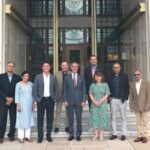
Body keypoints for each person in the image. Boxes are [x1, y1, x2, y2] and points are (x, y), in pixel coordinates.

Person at [33, 61, 58, 143]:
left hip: (50, 100)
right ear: (42, 68)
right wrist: (37, 99)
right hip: (41, 100)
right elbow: (34, 89)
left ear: (49, 68)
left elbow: (56, 89)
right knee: (40, 119)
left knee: (50, 119)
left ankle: (48, 135)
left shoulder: (53, 77)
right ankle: (40, 136)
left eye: (47, 66)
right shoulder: (38, 77)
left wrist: (54, 98)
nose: (46, 67)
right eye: (44, 66)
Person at [64, 62, 86, 141]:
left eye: (76, 67)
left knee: (79, 118)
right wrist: (65, 100)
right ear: (71, 68)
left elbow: (84, 90)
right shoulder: (67, 78)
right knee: (70, 119)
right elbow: (65, 90)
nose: (74, 68)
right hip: (69, 101)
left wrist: (83, 100)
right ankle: (71, 134)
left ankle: (78, 134)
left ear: (78, 68)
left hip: (79, 101)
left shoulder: (81, 77)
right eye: (73, 66)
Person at [107, 62, 129, 141]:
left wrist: (126, 98)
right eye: (114, 67)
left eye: (117, 67)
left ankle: (123, 133)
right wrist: (109, 97)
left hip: (122, 100)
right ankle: (114, 133)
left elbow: (127, 87)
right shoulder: (109, 77)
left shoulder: (124, 76)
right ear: (113, 69)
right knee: (113, 117)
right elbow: (107, 88)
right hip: (113, 100)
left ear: (120, 68)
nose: (116, 69)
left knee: (123, 117)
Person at [0, 62, 21, 143]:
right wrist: (6, 98)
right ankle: (1, 136)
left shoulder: (17, 78)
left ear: (14, 68)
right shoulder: (1, 77)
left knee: (13, 118)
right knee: (2, 118)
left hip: (13, 101)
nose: (11, 67)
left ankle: (11, 135)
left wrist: (12, 99)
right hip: (2, 101)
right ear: (6, 66)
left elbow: (19, 90)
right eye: (9, 66)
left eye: (12, 66)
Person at [129, 70, 150, 143]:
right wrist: (131, 106)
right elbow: (131, 96)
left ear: (141, 75)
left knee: (144, 122)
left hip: (145, 106)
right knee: (138, 122)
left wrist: (148, 105)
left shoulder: (146, 83)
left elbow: (148, 95)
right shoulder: (132, 84)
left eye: (138, 74)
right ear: (134, 76)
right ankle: (139, 136)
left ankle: (145, 136)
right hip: (137, 106)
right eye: (135, 75)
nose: (137, 76)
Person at [89, 71, 110, 141]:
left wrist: (100, 101)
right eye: (96, 76)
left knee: (102, 119)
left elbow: (107, 94)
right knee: (95, 119)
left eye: (99, 76)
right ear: (94, 77)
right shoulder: (92, 85)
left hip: (103, 104)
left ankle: (101, 135)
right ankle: (95, 135)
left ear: (101, 77)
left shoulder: (105, 85)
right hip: (94, 104)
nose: (98, 78)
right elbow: (90, 94)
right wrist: (94, 101)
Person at [15, 71, 35, 143]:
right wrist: (18, 105)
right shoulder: (18, 84)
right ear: (22, 76)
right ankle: (21, 138)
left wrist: (33, 103)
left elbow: (33, 95)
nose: (26, 77)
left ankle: (28, 137)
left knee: (28, 120)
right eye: (25, 76)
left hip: (29, 105)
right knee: (21, 120)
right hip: (21, 105)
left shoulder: (31, 84)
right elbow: (17, 95)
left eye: (27, 76)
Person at [54, 61, 71, 133]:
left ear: (68, 66)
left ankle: (67, 126)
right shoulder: (56, 74)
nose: (64, 67)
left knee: (68, 111)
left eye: (65, 65)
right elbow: (54, 85)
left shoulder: (71, 74)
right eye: (63, 65)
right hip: (59, 95)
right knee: (58, 111)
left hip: (68, 95)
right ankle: (57, 126)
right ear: (61, 66)